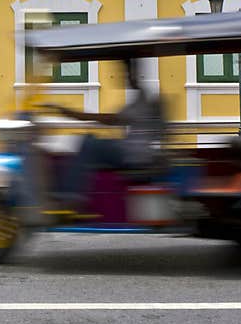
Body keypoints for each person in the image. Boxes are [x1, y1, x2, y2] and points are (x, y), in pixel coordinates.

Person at [44, 58, 165, 210]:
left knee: (88, 143)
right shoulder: (143, 101)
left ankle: (72, 197)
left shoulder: (143, 102)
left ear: (135, 74)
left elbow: (108, 119)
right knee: (90, 142)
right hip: (135, 152)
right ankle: (73, 194)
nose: (125, 78)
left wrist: (68, 113)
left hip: (132, 155)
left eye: (127, 74)